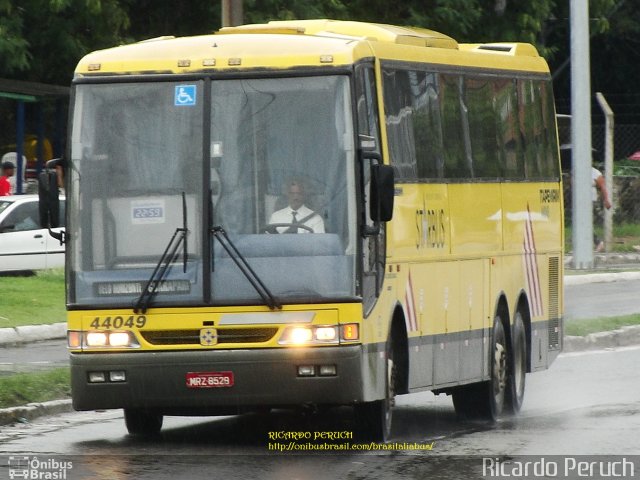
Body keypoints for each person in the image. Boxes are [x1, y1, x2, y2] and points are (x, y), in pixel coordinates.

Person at [592, 166, 612, 252]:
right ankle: (596, 242)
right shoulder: (575, 170)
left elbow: (602, 187)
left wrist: (606, 200)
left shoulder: (595, 172)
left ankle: (598, 242)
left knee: (584, 223)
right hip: (577, 200)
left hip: (589, 200)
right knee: (580, 223)